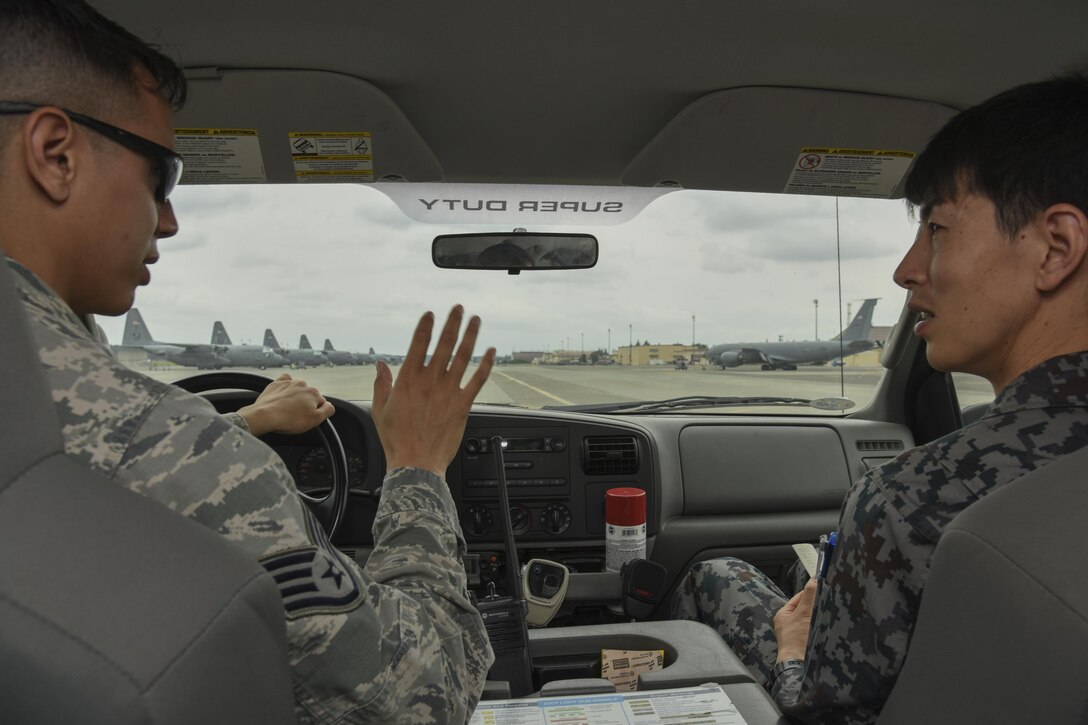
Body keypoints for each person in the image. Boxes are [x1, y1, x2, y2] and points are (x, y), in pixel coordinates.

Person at [0, 1, 496, 723]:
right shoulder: (167, 447)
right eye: (161, 177)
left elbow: (94, 466)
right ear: (56, 154)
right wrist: (417, 468)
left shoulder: (67, 418)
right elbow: (424, 692)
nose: (169, 219)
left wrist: (246, 422)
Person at [671, 73, 1088, 723]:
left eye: (938, 231)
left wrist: (793, 650)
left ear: (1055, 248)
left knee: (720, 573)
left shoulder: (909, 499)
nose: (906, 268)